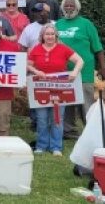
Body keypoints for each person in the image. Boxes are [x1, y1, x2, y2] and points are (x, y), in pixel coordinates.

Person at [26, 23, 83, 155]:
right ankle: (41, 145)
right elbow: (28, 65)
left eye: (52, 34)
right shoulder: (36, 49)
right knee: (41, 118)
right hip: (41, 88)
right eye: (47, 34)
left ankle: (56, 146)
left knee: (57, 117)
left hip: (59, 89)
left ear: (56, 35)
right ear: (42, 36)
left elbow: (80, 61)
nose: (50, 36)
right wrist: (36, 71)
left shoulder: (63, 48)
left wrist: (74, 72)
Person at [56, 0, 105, 139]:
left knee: (86, 103)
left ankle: (91, 131)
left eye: (72, 6)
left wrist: (103, 66)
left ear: (77, 8)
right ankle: (69, 131)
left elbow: (98, 48)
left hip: (84, 71)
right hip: (63, 72)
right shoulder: (58, 24)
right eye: (66, 6)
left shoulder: (86, 24)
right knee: (67, 102)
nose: (69, 8)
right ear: (62, 8)